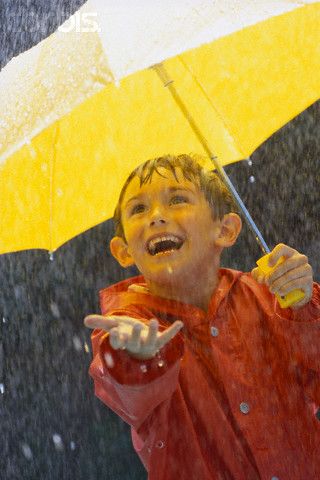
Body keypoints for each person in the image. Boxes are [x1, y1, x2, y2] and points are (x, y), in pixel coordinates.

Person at [84, 154, 320, 480]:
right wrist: (134, 360)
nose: (156, 217)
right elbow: (128, 396)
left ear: (225, 229)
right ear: (123, 250)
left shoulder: (274, 299)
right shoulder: (127, 327)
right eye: (138, 209)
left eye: (177, 199)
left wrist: (306, 307)